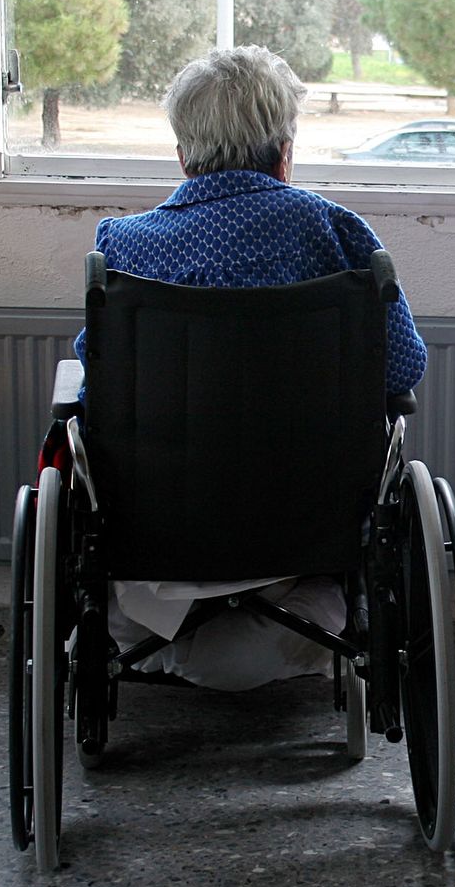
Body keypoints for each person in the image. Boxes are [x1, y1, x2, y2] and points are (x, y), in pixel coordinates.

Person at [76, 45, 428, 691]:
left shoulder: (122, 247)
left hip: (161, 525)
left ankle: (163, 642)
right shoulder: (339, 234)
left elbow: (99, 381)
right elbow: (405, 364)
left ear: (183, 153)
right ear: (284, 150)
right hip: (307, 526)